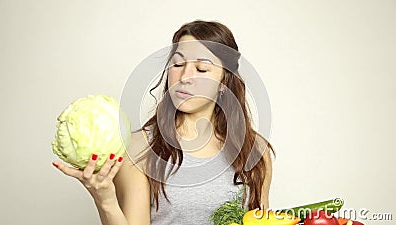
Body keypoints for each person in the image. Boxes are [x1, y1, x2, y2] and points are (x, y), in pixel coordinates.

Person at [52, 20, 274, 225]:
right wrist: (105, 200)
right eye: (177, 65)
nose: (185, 76)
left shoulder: (255, 151)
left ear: (224, 81)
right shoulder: (141, 148)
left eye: (201, 69)